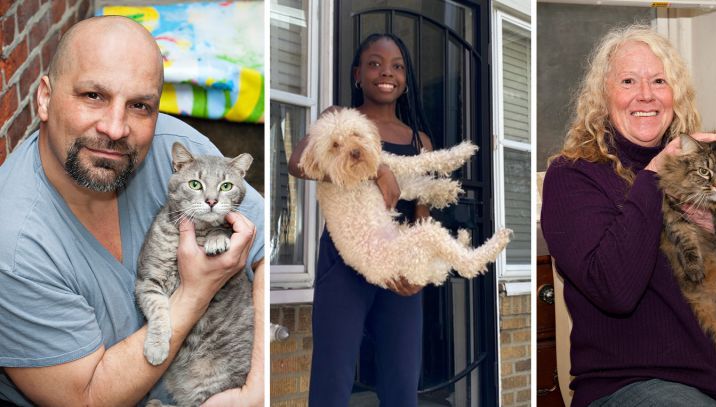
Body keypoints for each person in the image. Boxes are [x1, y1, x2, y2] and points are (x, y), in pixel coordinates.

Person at [0, 16, 264, 406]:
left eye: (140, 105)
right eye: (93, 95)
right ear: (44, 98)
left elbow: (264, 249)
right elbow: (87, 399)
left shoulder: (175, 146)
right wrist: (195, 291)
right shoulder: (15, 246)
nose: (115, 127)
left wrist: (256, 391)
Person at [540, 24, 716, 407]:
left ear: (675, 94)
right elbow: (615, 291)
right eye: (628, 80)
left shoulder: (710, 170)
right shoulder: (573, 176)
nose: (645, 94)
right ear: (602, 95)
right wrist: (652, 176)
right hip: (635, 382)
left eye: (659, 80)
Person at [288, 33, 434, 406]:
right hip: (344, 261)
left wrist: (417, 267)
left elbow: (422, 210)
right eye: (374, 63)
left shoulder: (420, 141)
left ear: (405, 79)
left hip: (398, 265)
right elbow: (299, 164)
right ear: (357, 74)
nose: (386, 72)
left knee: (402, 382)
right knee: (332, 379)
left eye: (397, 66)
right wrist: (374, 167)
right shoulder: (337, 120)